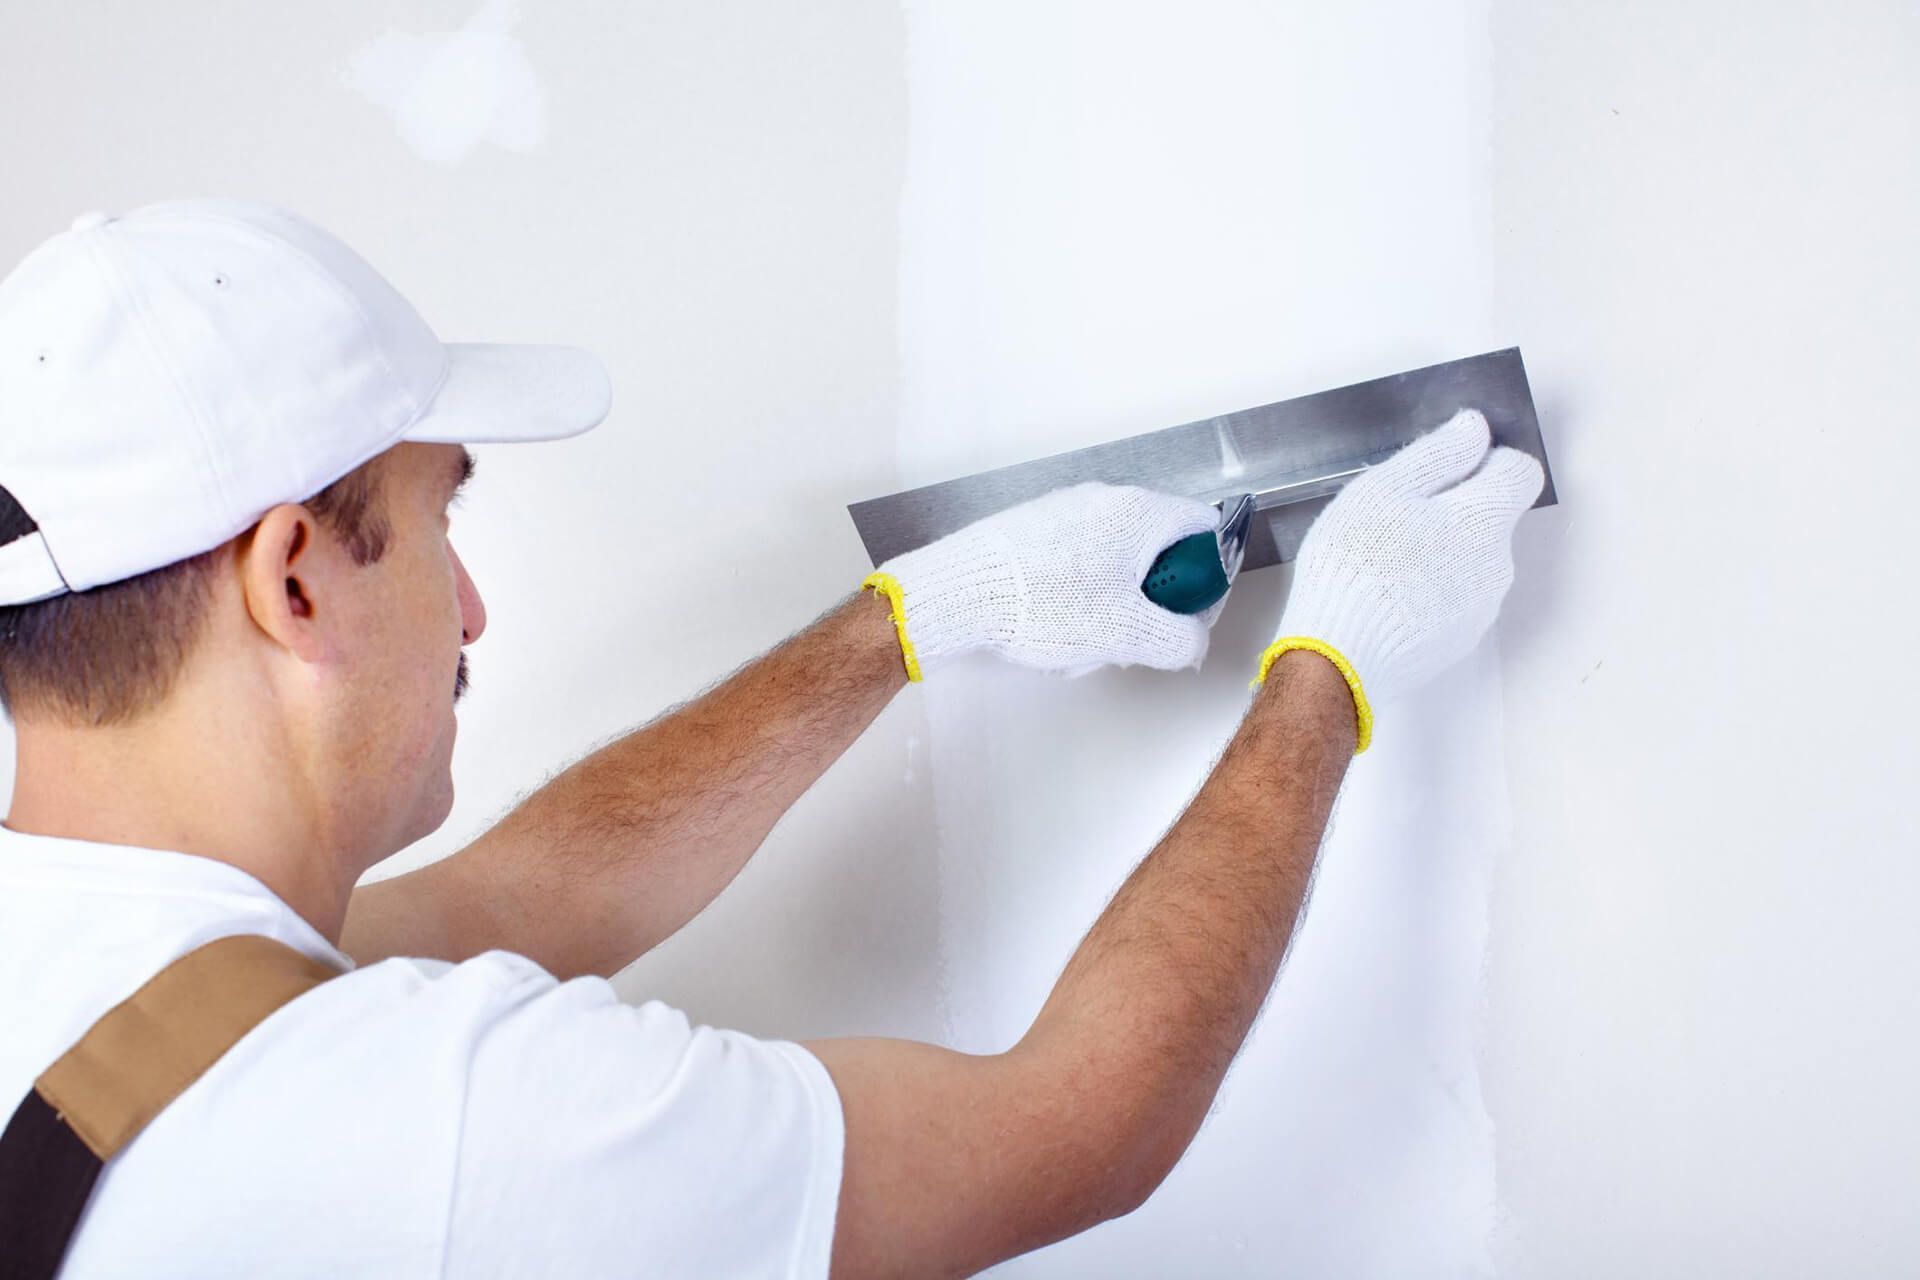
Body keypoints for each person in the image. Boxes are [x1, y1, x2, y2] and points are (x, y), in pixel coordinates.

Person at [0, 199, 1542, 1278]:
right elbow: (1070, 1132)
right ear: (292, 580)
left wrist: (915, 618)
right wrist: (1324, 674)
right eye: (433, 521)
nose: (468, 610)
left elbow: (528, 898)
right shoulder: (440, 1125)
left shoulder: (110, 964)